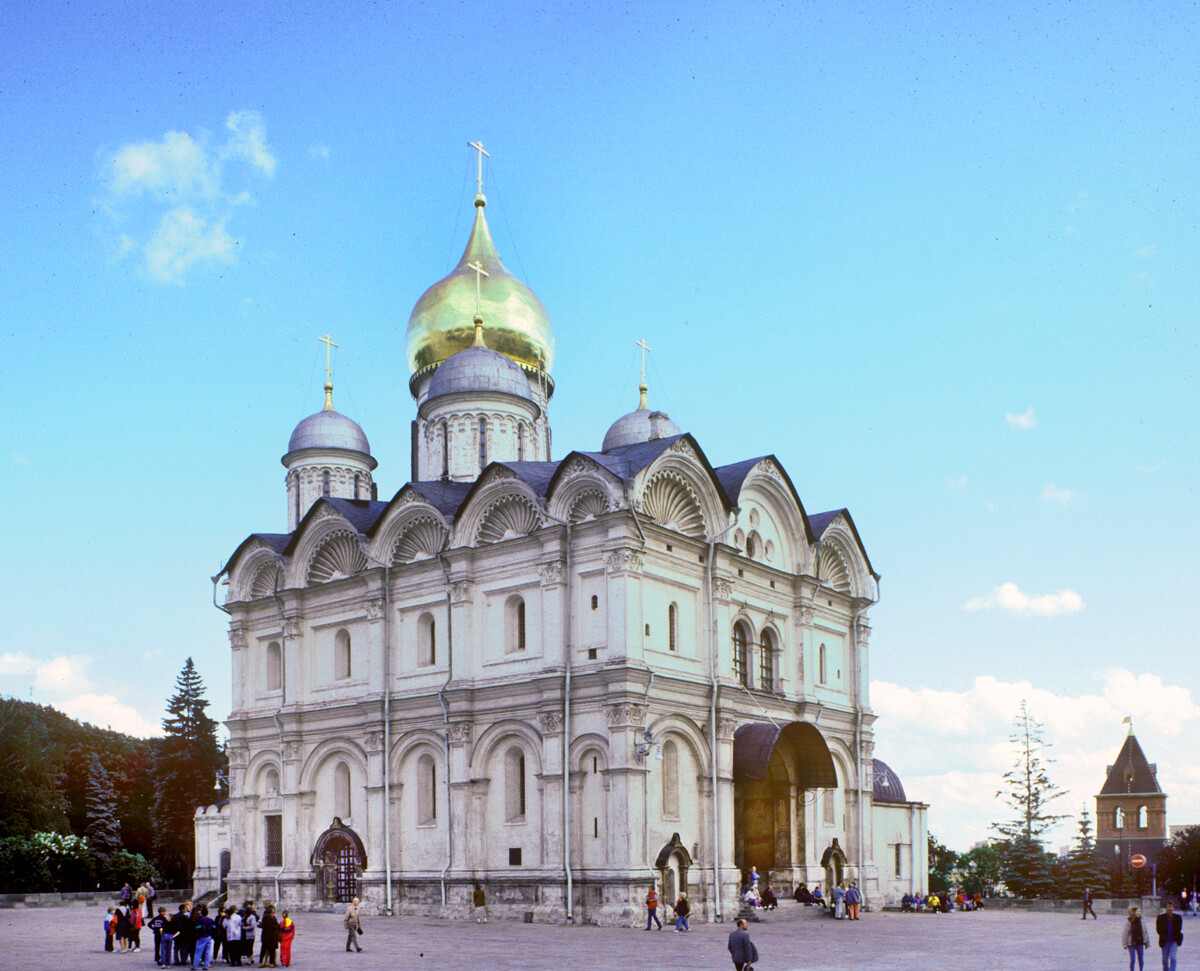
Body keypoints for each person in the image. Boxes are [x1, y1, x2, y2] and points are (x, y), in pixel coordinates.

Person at [1157, 900, 1184, 971]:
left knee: (1173, 957)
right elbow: (1158, 929)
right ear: (1166, 908)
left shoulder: (1178, 918)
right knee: (1165, 959)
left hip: (1174, 941)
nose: (1169, 908)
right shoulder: (1160, 918)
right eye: (1168, 907)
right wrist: (1163, 935)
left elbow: (1179, 928)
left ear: (1173, 908)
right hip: (1165, 941)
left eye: (1171, 907)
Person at [1123, 905, 1149, 971]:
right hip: (1131, 943)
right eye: (1138, 911)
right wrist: (1124, 944)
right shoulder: (1129, 921)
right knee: (1132, 959)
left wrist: (1147, 942)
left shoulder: (1141, 921)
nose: (1139, 912)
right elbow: (1125, 933)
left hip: (1140, 942)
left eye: (1140, 911)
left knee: (1141, 959)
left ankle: (1141, 969)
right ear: (1134, 912)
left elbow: (1145, 932)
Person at [192, 905, 216, 971]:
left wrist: (198, 936)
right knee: (208, 952)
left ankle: (195, 966)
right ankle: (206, 966)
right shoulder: (211, 920)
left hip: (202, 937)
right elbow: (214, 928)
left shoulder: (200, 920)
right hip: (209, 937)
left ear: (201, 913)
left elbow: (198, 929)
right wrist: (212, 936)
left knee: (198, 952)